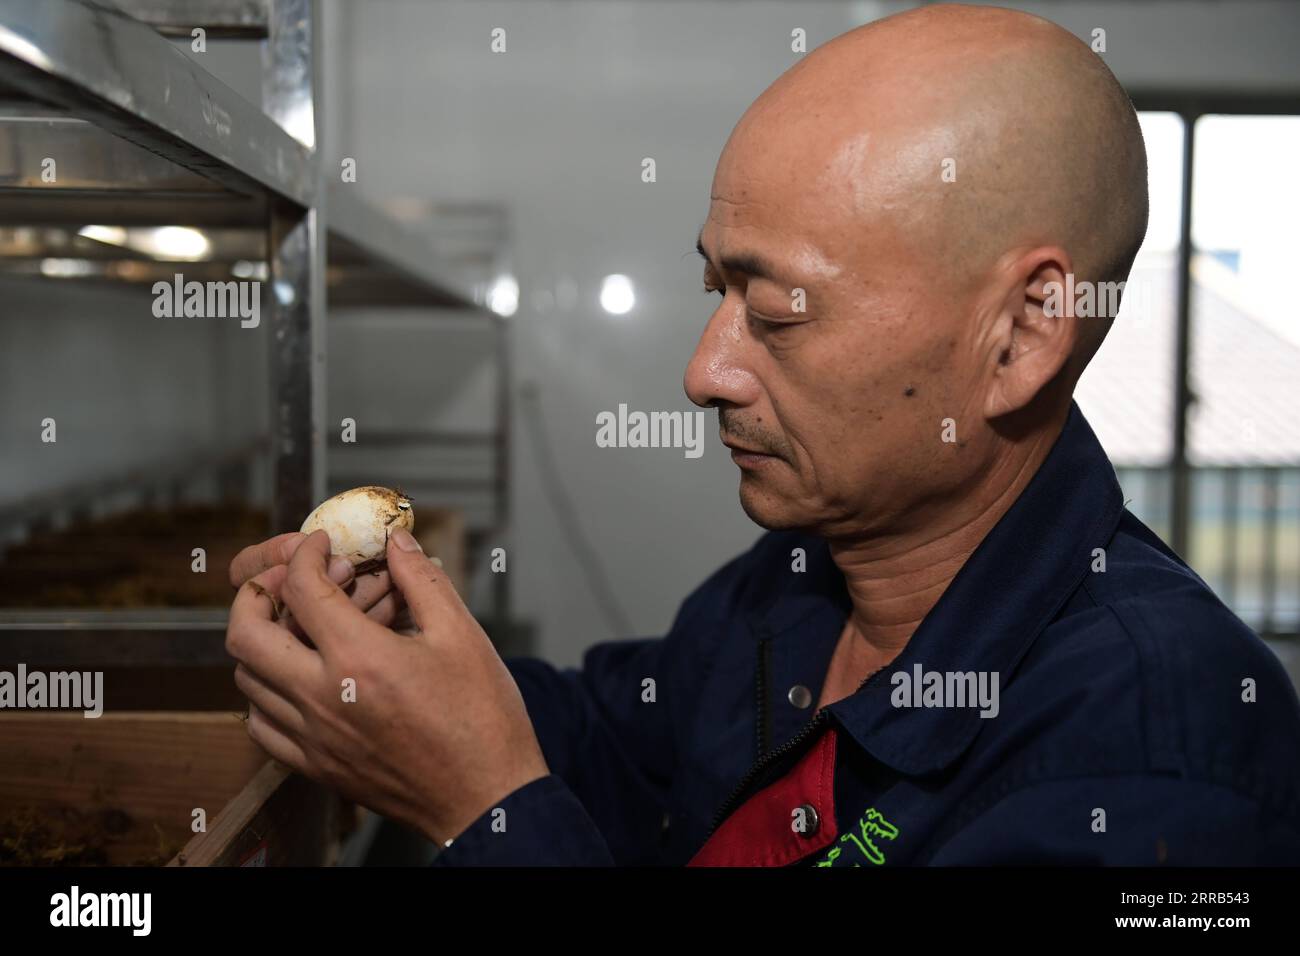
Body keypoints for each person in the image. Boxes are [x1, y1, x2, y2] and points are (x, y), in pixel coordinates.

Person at [225, 4, 1300, 865]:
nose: (703, 372)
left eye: (778, 309)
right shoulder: (798, 579)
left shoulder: (1161, 764)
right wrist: (407, 666)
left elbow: (514, 795)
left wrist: (488, 811)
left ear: (1020, 334)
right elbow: (616, 745)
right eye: (715, 288)